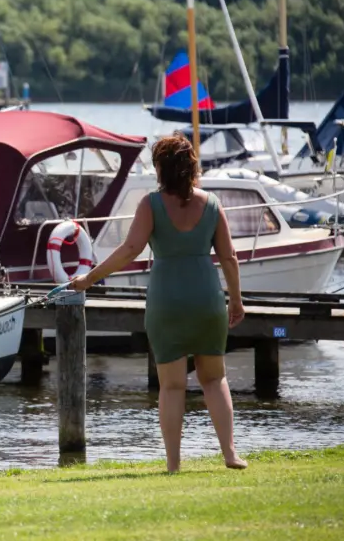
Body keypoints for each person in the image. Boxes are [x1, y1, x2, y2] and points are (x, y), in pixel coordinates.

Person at [69, 133, 248, 473]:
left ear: (161, 169)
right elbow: (230, 257)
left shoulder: (151, 204)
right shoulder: (211, 204)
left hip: (167, 302)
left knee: (172, 385)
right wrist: (236, 300)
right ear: (191, 167)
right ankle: (230, 454)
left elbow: (129, 249)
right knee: (214, 379)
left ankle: (173, 463)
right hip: (207, 300)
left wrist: (89, 279)